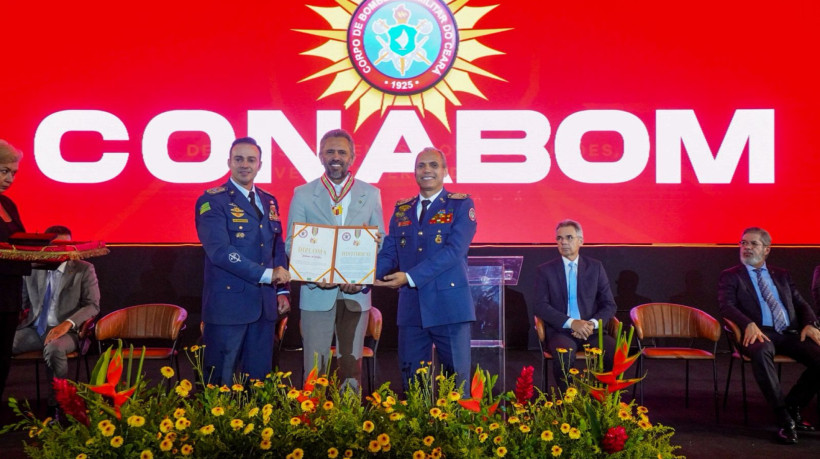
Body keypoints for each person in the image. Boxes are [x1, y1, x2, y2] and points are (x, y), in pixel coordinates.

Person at [285, 129, 384, 390]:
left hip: (355, 294)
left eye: (342, 152)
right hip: (316, 292)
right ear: (320, 156)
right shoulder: (303, 194)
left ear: (352, 157)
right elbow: (292, 244)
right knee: (315, 365)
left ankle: (348, 426)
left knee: (350, 367)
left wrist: (361, 276)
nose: (336, 157)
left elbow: (379, 241)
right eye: (330, 151)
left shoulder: (371, 193)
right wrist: (316, 274)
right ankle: (311, 425)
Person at [375, 147, 477, 389]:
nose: (427, 170)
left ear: (444, 171)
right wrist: (364, 274)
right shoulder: (402, 209)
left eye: (433, 165)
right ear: (414, 172)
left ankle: (454, 429)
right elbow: (390, 252)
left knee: (456, 384)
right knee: (413, 383)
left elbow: (454, 251)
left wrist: (409, 277)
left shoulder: (460, 205)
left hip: (450, 309)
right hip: (412, 310)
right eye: (421, 166)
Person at [195, 137, 290, 385]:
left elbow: (276, 247)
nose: (244, 165)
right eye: (239, 159)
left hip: (265, 307)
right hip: (228, 308)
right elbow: (220, 252)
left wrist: (282, 290)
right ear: (229, 162)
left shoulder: (269, 201)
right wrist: (267, 275)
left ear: (260, 164)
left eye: (251, 159)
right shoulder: (211, 201)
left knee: (260, 385)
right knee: (219, 385)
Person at [718, 227, 820, 445]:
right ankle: (784, 418)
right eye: (743, 243)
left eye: (753, 244)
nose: (746, 247)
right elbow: (726, 306)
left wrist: (810, 324)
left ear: (766, 249)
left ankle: (794, 405)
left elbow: (800, 302)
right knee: (762, 350)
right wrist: (748, 324)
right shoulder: (731, 275)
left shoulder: (781, 274)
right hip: (758, 335)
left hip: (788, 333)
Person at [13, 226, 100, 416]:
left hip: (68, 332)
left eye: (66, 245)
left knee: (54, 349)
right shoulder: (33, 267)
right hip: (35, 329)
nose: (62, 249)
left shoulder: (83, 269)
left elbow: (92, 305)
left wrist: (67, 324)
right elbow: (23, 303)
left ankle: (58, 406)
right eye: (57, 245)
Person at [534, 219, 617, 391]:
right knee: (564, 354)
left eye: (569, 237)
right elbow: (540, 306)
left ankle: (602, 401)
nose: (563, 242)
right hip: (561, 331)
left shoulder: (595, 267)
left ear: (581, 240)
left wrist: (591, 324)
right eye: (559, 238)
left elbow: (609, 304)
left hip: (592, 331)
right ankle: (568, 404)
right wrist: (572, 323)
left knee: (611, 350)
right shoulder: (545, 270)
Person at [0, 139, 31, 403]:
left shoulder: (9, 204)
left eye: (14, 173)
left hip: (9, 297)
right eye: (4, 171)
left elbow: (18, 243)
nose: (10, 178)